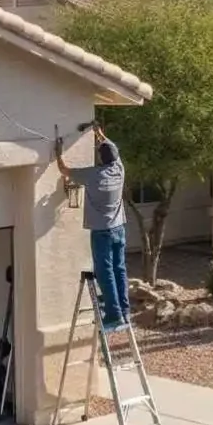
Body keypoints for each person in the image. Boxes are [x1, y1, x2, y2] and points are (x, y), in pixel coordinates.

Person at [55, 123, 130, 330]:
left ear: (100, 158)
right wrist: (98, 133)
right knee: (119, 269)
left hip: (102, 232)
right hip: (119, 228)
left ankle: (114, 315)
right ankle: (124, 310)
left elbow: (64, 170)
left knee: (104, 270)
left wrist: (57, 151)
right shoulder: (119, 168)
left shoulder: (93, 175)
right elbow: (109, 146)